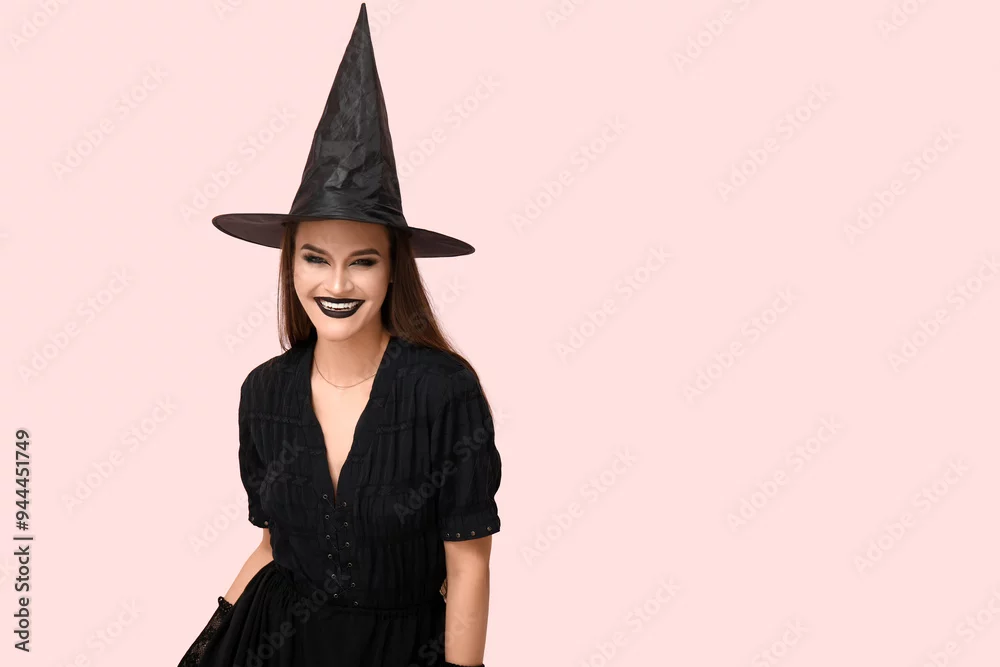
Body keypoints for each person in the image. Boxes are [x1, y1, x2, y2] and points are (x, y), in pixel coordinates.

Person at [177, 5, 500, 666]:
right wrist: (206, 647)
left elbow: (468, 565)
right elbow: (272, 548)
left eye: (364, 260)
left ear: (393, 270)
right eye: (316, 258)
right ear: (290, 264)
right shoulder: (264, 392)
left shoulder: (443, 391)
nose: (337, 282)